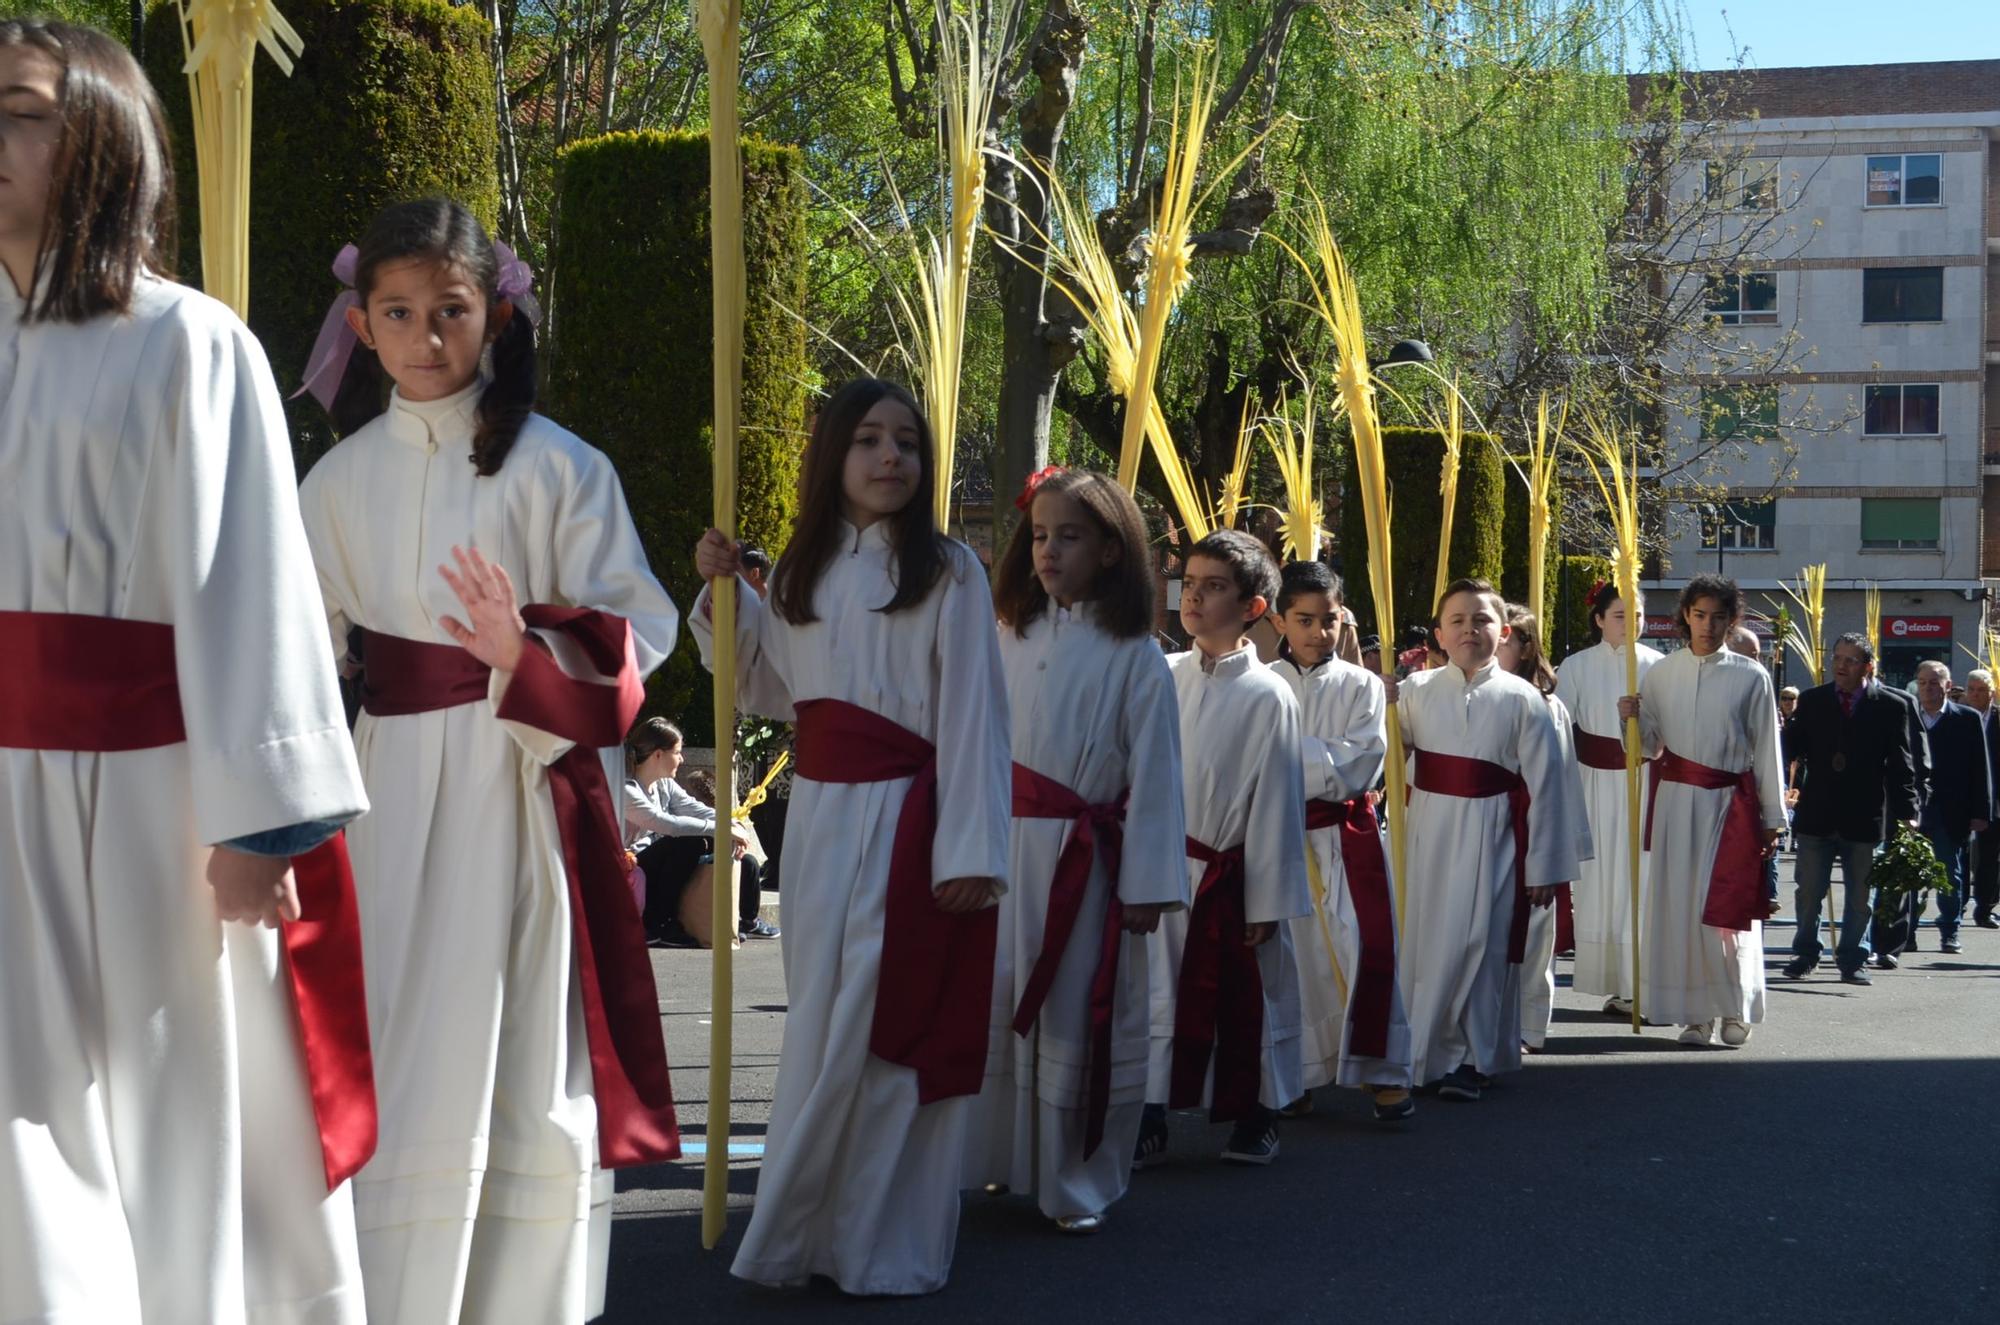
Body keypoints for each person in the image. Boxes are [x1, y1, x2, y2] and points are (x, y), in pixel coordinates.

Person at [0, 20, 372, 1322]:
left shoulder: (189, 343)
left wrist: (259, 825)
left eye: (19, 110)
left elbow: (249, 581)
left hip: (145, 804)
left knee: (163, 1117)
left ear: (99, 136)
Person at [298, 198, 682, 1323]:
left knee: (511, 1036)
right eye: (398, 313)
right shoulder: (333, 483)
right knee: (389, 1031)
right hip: (381, 793)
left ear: (496, 315)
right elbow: (288, 645)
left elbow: (639, 627)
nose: (426, 337)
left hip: (515, 791)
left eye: (450, 311)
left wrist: (527, 654)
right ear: (361, 325)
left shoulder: (560, 468)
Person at [692, 377, 1011, 1295]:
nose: (889, 457)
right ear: (834, 452)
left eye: (906, 442)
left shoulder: (951, 572)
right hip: (824, 823)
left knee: (880, 1020)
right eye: (868, 438)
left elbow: (976, 716)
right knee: (824, 1014)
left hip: (911, 820)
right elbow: (766, 685)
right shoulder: (803, 569)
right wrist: (724, 594)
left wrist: (971, 849)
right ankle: (813, 1233)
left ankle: (876, 1239)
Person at [966, 467, 1186, 1234]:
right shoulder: (1006, 638)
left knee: (1070, 1008)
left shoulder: (1136, 656)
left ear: (1111, 550)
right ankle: (1002, 1152)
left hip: (1083, 864)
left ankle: (1073, 1178)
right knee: (999, 998)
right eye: (1038, 536)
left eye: (1068, 536)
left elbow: (1158, 777)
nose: (1048, 551)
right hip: (1005, 853)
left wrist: (1146, 884)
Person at [1142, 530, 1310, 1166]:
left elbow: (1278, 800)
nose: (1193, 598)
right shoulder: (1161, 675)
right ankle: (1149, 1110)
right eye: (1188, 584)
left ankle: (1258, 1110)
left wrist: (1265, 899)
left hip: (1232, 872)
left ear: (1252, 608)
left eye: (1213, 588)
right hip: (1162, 865)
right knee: (1155, 989)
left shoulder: (1269, 693)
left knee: (1249, 993)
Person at [1386, 579, 1582, 1100]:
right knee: (1427, 944)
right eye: (1457, 621)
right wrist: (1379, 705)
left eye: (1481, 620)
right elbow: (1387, 757)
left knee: (1484, 944)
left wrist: (1544, 866)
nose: (1469, 630)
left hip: (1496, 838)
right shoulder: (1414, 692)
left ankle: (1474, 1058)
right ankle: (1422, 1053)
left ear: (1505, 633)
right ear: (1439, 635)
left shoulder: (1524, 699)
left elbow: (1547, 787)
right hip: (1429, 834)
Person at [1269, 561, 1413, 1121]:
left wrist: (1287, 760)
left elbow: (1359, 764)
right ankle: (1297, 1073)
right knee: (1292, 959)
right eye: (1304, 620)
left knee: (1365, 946)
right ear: (1280, 620)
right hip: (1278, 838)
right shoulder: (1263, 683)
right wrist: (1314, 761)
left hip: (1343, 835)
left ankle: (1382, 1070)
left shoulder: (1363, 685)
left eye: (1328, 620)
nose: (1317, 632)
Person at [1619, 576, 1786, 1047]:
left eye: (1718, 617)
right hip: (1676, 804)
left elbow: (1767, 749)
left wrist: (1772, 818)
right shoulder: (1660, 674)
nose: (1707, 625)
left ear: (1731, 620)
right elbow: (1646, 748)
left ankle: (1735, 1006)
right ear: (1685, 617)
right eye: (1699, 615)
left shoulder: (1751, 676)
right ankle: (1695, 1014)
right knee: (1682, 908)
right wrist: (1629, 719)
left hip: (1729, 806)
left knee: (1726, 909)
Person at [1553, 584, 1664, 1017]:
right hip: (1595, 786)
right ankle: (1620, 982)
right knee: (1601, 881)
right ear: (1599, 619)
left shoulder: (1659, 666)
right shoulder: (1577, 665)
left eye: (1637, 614)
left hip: (1646, 781)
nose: (1630, 623)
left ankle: (1648, 983)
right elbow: (1560, 725)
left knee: (1644, 881)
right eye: (1620, 615)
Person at [1782, 635, 1918, 983]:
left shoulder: (1891, 705)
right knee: (1808, 892)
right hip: (1818, 813)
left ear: (1867, 667)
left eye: (1850, 660)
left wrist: (1909, 812)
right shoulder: (1813, 701)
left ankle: (1853, 958)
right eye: (1837, 658)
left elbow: (1901, 764)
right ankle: (1805, 953)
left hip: (1864, 815)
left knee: (1860, 897)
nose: (1841, 666)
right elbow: (1790, 749)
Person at [1501, 604, 1592, 1053]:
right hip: (1488, 821)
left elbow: (1560, 778)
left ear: (1526, 648)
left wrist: (1562, 848)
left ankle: (1529, 1024)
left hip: (1533, 824)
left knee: (1536, 931)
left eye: (1507, 639)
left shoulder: (1548, 706)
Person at [623, 716, 776, 943]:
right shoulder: (627, 790)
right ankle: (661, 924)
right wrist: (721, 829)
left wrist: (731, 825)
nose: (682, 759)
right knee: (690, 842)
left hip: (656, 861)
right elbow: (666, 824)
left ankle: (746, 919)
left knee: (744, 858)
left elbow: (695, 809)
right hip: (631, 866)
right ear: (658, 755)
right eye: (677, 752)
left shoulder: (664, 784)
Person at [1877, 661, 1990, 958]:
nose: (1928, 688)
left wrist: (1981, 811)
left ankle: (1950, 931)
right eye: (1923, 682)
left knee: (1949, 874)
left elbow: (1980, 767)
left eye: (1935, 682)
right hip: (1911, 809)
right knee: (1908, 873)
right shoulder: (1904, 714)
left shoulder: (1966, 719)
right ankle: (1907, 933)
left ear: (1948, 686)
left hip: (1951, 811)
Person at [1962, 668, 2000, 928]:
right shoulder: (1957, 717)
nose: (1976, 695)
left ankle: (1985, 907)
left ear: (1992, 693)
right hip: (1962, 797)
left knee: (1990, 856)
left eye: (1982, 690)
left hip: (1993, 799)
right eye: (1972, 690)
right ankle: (1958, 902)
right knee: (1960, 855)